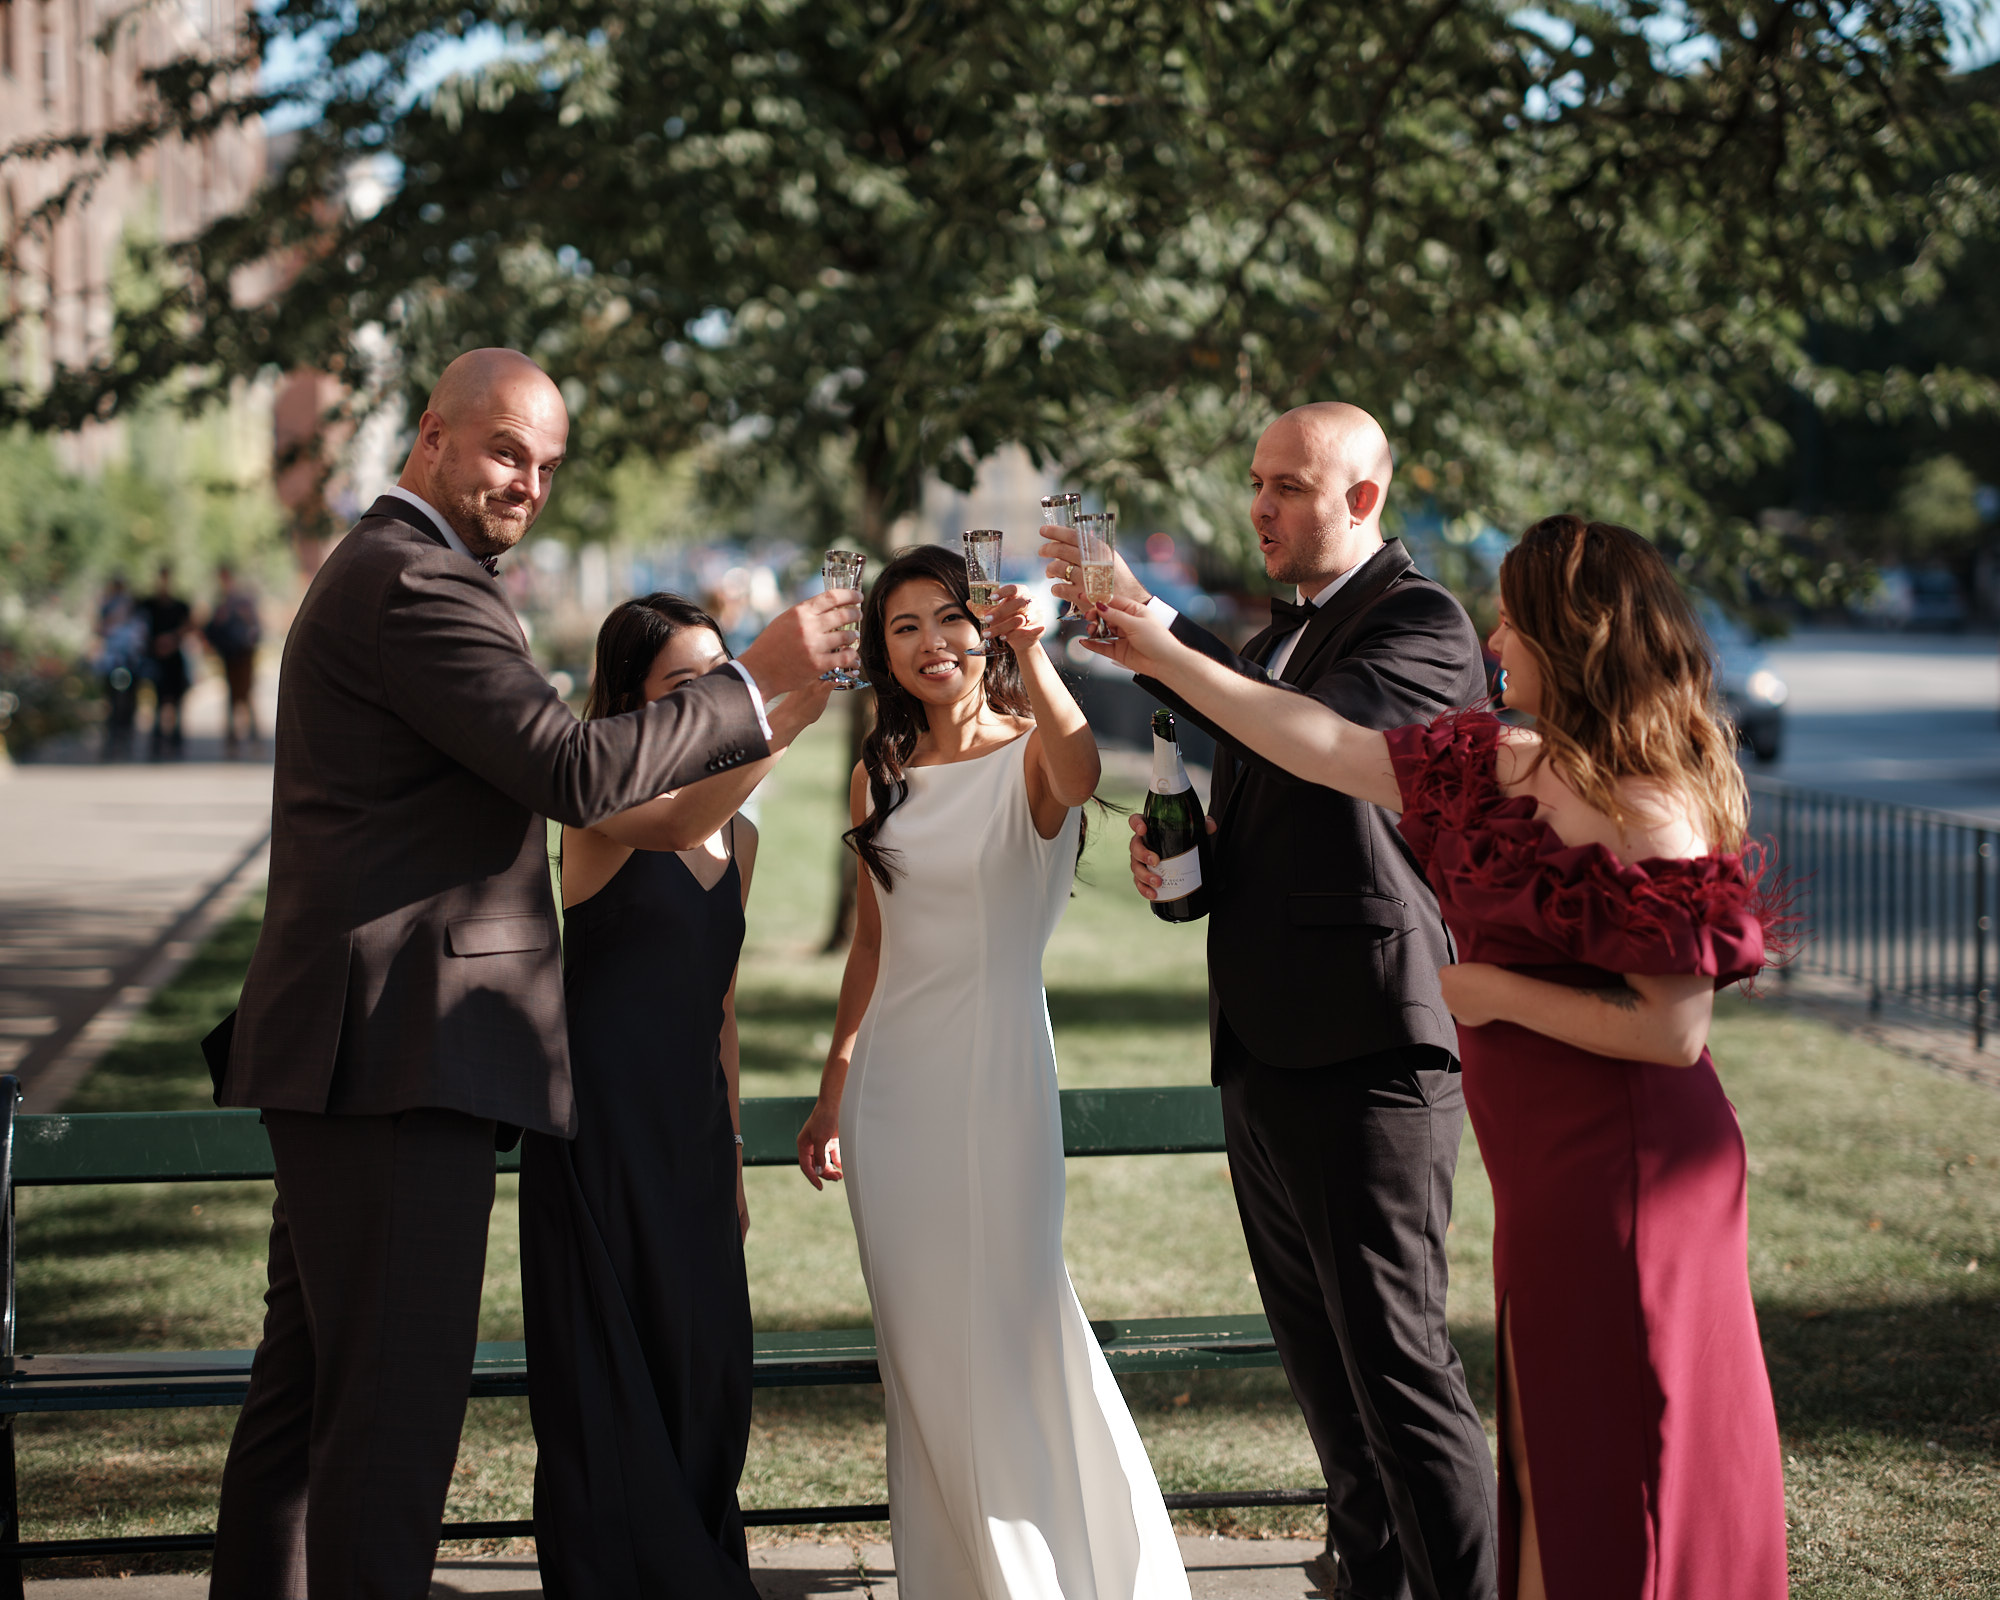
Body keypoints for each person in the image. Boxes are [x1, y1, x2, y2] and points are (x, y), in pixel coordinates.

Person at [206, 348, 859, 1600]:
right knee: (387, 1424)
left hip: (362, 1054)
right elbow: (573, 770)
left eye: (547, 466)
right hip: (398, 1055)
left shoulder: (399, 572)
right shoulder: (417, 583)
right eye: (507, 451)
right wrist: (755, 676)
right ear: (431, 437)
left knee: (309, 1407)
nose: (527, 483)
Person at [1084, 515, 1791, 1600]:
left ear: (1575, 634)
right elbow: (1318, 742)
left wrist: (1489, 991)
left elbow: (1671, 1030)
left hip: (1632, 1171)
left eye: (1515, 616)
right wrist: (1161, 650)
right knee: (1553, 1439)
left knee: (1628, 1439)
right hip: (1544, 1167)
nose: (1493, 636)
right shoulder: (1501, 763)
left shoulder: (1650, 801)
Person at [1042, 403, 1498, 1599]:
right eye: (1256, 482)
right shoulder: (1284, 637)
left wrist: (1154, 639)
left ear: (1363, 498)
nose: (1260, 506)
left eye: (1289, 486)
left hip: (1367, 1049)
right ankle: (1367, 1581)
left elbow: (1326, 742)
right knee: (1328, 1390)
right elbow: (1262, 754)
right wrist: (1184, 869)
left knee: (1397, 1375)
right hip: (1261, 1051)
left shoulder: (1420, 623)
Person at [794, 546, 1189, 1600]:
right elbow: (872, 948)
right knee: (922, 1345)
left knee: (1013, 1321)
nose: (930, 643)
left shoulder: (1029, 754)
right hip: (890, 1096)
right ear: (882, 651)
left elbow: (1081, 774)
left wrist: (1034, 643)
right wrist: (834, 1085)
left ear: (983, 632)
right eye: (902, 627)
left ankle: (1066, 1571)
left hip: (997, 1072)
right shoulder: (874, 771)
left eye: (947, 619)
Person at [521, 594, 831, 1599]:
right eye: (680, 686)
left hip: (691, 1132)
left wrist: (732, 1148)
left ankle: (693, 1557)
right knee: (607, 1368)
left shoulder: (738, 841)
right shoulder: (601, 814)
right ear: (631, 702)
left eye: (719, 674)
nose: (706, 698)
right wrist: (776, 720)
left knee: (705, 1365)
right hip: (596, 1126)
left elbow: (722, 1012)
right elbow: (676, 815)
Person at [203, 564, 264, 756]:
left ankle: (252, 738)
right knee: (232, 697)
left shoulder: (241, 601)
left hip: (243, 655)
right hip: (229, 656)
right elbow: (212, 630)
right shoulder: (220, 603)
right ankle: (233, 740)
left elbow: (255, 628)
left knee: (245, 695)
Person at [138, 564, 194, 759]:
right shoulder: (149, 604)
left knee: (176, 701)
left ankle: (175, 741)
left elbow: (189, 626)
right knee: (158, 701)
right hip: (157, 659)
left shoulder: (179, 605)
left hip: (174, 659)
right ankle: (157, 741)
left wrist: (171, 640)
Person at [93, 575, 144, 760]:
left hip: (130, 663)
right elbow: (99, 630)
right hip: (112, 663)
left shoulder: (134, 612)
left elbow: (140, 637)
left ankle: (124, 736)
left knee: (128, 703)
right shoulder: (108, 608)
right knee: (112, 702)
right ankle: (113, 738)